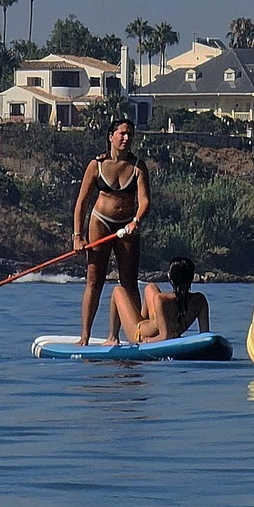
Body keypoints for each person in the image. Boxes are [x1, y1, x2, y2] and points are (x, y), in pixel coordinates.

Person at [72, 119, 150, 345]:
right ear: (111, 136)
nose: (127, 138)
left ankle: (135, 337)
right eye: (122, 134)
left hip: (127, 226)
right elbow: (82, 203)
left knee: (129, 283)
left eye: (130, 135)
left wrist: (136, 221)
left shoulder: (137, 166)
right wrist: (78, 236)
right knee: (94, 281)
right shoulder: (96, 165)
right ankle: (84, 336)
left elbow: (145, 200)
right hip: (100, 223)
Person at [109, 256, 210, 344]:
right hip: (157, 328)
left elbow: (164, 337)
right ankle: (143, 320)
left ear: (170, 277)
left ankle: (113, 337)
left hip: (139, 334)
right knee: (150, 287)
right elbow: (205, 335)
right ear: (192, 277)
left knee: (117, 290)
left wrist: (146, 341)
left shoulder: (162, 299)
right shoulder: (200, 300)